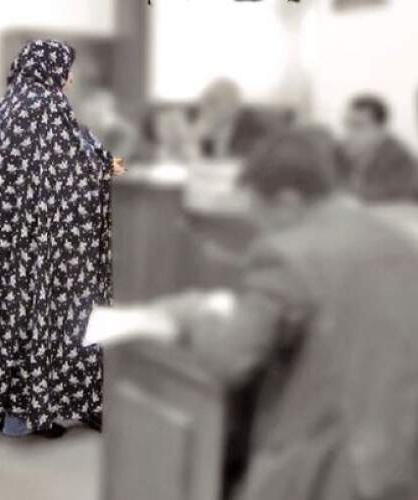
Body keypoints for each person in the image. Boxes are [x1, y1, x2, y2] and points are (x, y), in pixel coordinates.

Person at [163, 127, 418, 500]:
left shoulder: (286, 255)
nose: (261, 231)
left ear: (287, 201)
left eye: (261, 216)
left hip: (323, 468)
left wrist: (192, 314)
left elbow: (229, 357)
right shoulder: (399, 240)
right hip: (399, 454)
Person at [0, 39, 124, 438]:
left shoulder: (6, 105)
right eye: (66, 70)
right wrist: (109, 164)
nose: (69, 79)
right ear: (50, 69)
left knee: (13, 318)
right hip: (46, 241)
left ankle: (13, 412)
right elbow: (74, 159)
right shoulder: (49, 105)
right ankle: (58, 406)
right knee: (63, 315)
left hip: (8, 239)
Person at [340, 93, 418, 202]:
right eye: (347, 125)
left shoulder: (400, 160)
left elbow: (395, 198)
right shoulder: (345, 152)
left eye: (358, 126)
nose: (350, 133)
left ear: (381, 129)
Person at [194, 78, 279, 160]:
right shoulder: (204, 129)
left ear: (235, 105)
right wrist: (195, 142)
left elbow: (248, 163)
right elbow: (199, 163)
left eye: (214, 102)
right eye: (206, 102)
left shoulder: (254, 127)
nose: (207, 109)